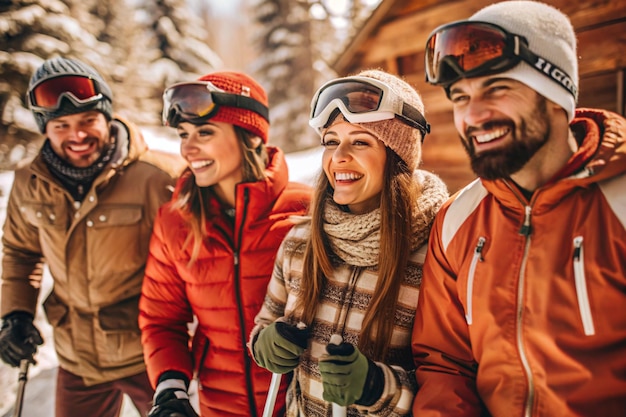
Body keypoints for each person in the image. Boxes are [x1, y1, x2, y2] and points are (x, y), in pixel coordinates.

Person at [411, 1, 626, 416]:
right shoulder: (457, 221)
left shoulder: (619, 205)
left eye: (498, 88)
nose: (472, 115)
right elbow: (445, 366)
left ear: (556, 95)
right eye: (460, 97)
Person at [249, 69, 449, 416]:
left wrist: (377, 386)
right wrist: (264, 343)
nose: (338, 156)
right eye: (330, 141)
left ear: (396, 156)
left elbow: (453, 381)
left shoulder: (436, 251)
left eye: (360, 141)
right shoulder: (300, 241)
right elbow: (266, 323)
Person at [0, 57, 182, 417]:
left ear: (107, 117)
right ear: (45, 128)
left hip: (149, 352)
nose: (77, 135)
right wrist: (16, 314)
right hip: (77, 359)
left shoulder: (158, 176)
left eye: (87, 121)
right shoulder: (29, 184)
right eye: (61, 125)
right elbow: (21, 254)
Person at [138, 71, 312, 417]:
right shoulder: (176, 222)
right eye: (184, 135)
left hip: (298, 402)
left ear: (250, 136)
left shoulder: (307, 210)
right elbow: (162, 320)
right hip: (219, 404)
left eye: (205, 132)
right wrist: (170, 385)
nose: (188, 148)